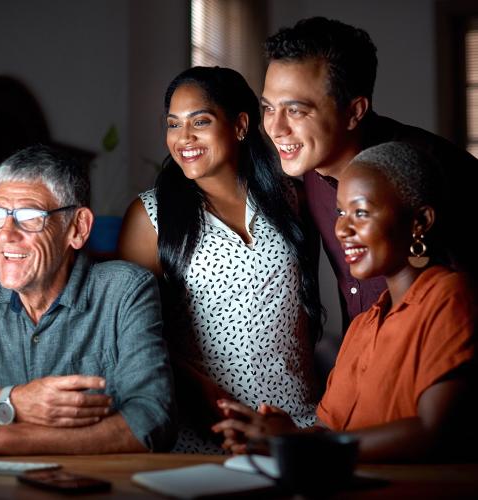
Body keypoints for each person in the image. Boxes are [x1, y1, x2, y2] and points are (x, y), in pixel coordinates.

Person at [213, 141, 478, 462]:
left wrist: (296, 445)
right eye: (341, 212)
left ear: (419, 222)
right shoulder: (365, 323)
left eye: (361, 212)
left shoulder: (450, 297)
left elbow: (433, 431)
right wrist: (279, 434)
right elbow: (330, 432)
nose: (343, 229)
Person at [260, 16, 478, 385]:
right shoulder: (307, 174)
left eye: (296, 110)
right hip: (364, 385)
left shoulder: (434, 173)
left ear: (355, 111)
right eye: (268, 107)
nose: (276, 128)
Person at [118, 66, 322, 453]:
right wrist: (211, 404)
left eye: (201, 121)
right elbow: (135, 338)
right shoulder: (149, 217)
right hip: (208, 431)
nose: (184, 138)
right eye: (173, 124)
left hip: (298, 424)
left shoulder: (291, 198)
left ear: (241, 125)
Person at [0, 144, 176, 455]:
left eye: (29, 217)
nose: (6, 234)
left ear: (78, 227)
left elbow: (153, 421)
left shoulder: (124, 290)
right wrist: (13, 401)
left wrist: (3, 439)